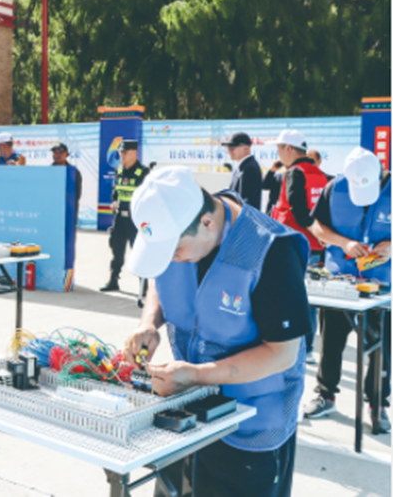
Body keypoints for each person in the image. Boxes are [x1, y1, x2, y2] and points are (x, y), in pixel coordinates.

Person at [123, 166, 310, 497]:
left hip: (251, 423)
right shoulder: (187, 235)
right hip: (186, 407)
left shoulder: (270, 250)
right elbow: (161, 277)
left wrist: (197, 375)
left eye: (174, 251)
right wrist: (149, 322)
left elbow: (282, 353)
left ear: (208, 223)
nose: (172, 260)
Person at [303, 147, 391, 431]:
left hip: (381, 284)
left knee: (382, 347)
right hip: (339, 280)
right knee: (331, 341)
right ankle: (325, 395)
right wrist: (344, 243)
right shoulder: (334, 187)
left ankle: (377, 403)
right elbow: (317, 226)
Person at [270, 129, 327, 360]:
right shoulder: (320, 174)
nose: (277, 154)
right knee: (310, 298)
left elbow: (298, 208)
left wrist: (313, 228)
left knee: (292, 296)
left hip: (295, 245)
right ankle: (309, 348)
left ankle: (294, 348)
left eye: (278, 148)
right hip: (317, 246)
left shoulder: (295, 172)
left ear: (288, 148)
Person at [101, 140, 149, 292]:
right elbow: (116, 191)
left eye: (125, 152)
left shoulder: (144, 172)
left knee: (139, 253)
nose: (122, 155)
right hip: (120, 218)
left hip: (136, 220)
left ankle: (144, 287)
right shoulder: (119, 170)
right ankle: (113, 280)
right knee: (117, 250)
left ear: (134, 153)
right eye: (121, 152)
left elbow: (148, 196)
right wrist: (114, 201)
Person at [221, 131, 262, 209]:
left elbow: (245, 203)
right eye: (228, 147)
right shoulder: (244, 166)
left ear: (246, 148)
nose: (229, 150)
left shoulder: (249, 169)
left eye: (232, 147)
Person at [51, 142, 82, 222]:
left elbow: (77, 194)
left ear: (67, 154)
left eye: (60, 152)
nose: (57, 155)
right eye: (55, 152)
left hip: (68, 211)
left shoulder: (73, 172)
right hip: (51, 211)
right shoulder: (48, 172)